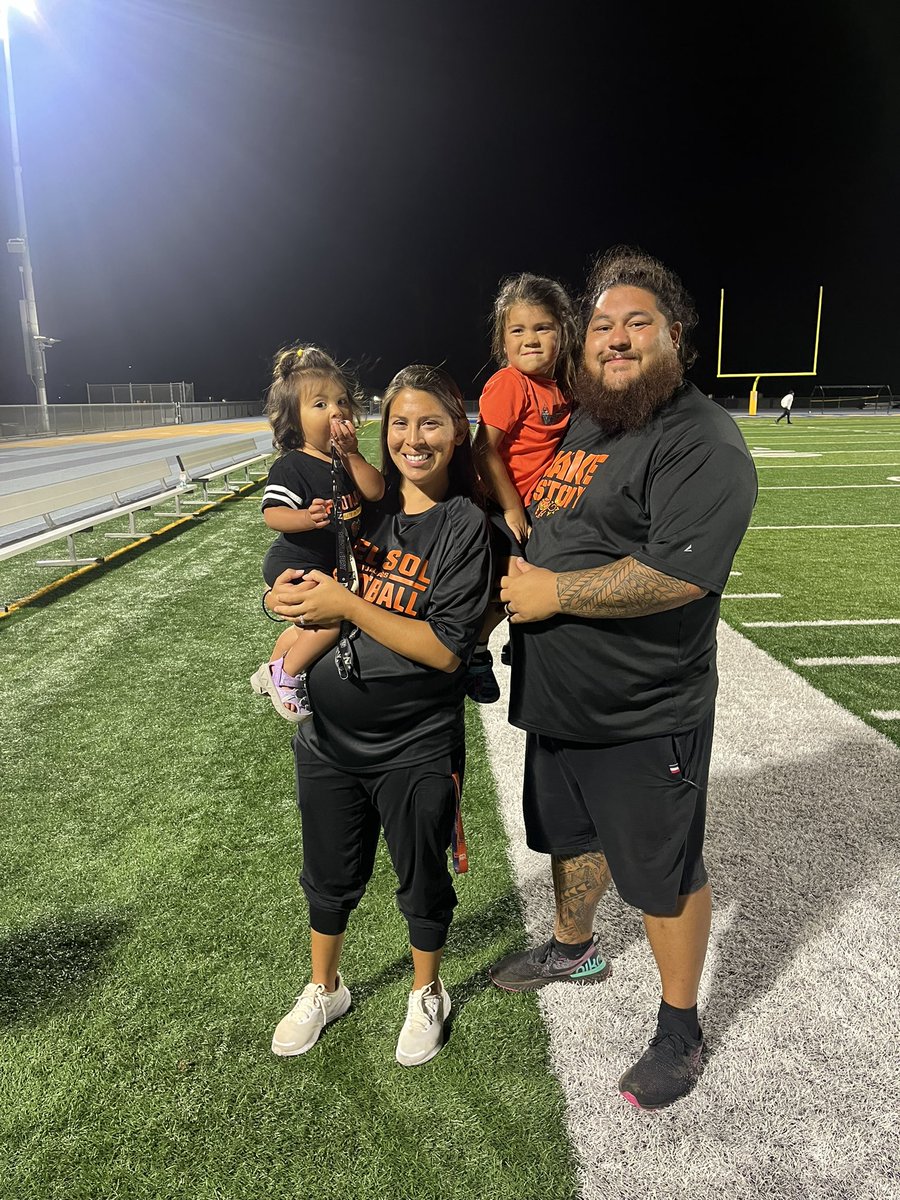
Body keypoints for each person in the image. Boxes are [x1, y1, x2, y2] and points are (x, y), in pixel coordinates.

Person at [489, 245, 758, 1110]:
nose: (615, 338)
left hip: (644, 708)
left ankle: (680, 1029)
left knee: (662, 869)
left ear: (675, 336)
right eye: (601, 324)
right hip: (561, 697)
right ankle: (574, 947)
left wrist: (553, 591)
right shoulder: (591, 422)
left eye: (636, 322)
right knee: (573, 837)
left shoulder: (701, 438)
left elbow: (677, 574)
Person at [264, 364, 492, 1067]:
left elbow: (447, 650)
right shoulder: (361, 502)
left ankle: (427, 991)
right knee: (327, 876)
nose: (413, 438)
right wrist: (279, 595)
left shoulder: (464, 525)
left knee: (422, 880)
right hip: (329, 740)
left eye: (430, 422)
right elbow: (290, 556)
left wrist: (349, 608)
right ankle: (323, 986)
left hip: (415, 742)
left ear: (458, 433)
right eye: (399, 422)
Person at [250, 344, 384, 723]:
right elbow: (272, 515)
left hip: (327, 565)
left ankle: (272, 668)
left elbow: (375, 492)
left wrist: (354, 454)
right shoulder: (293, 465)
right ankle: (288, 676)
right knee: (330, 624)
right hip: (295, 560)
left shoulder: (345, 461)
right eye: (320, 404)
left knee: (305, 626)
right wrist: (306, 518)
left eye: (341, 401)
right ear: (294, 419)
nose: (336, 410)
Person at [465, 273, 579, 704]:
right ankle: (476, 652)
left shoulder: (562, 382)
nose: (530, 339)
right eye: (518, 330)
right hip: (499, 503)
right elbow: (484, 449)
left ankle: (521, 640)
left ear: (562, 332)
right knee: (511, 584)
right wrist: (511, 506)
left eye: (542, 328)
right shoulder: (510, 383)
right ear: (503, 340)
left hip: (540, 505)